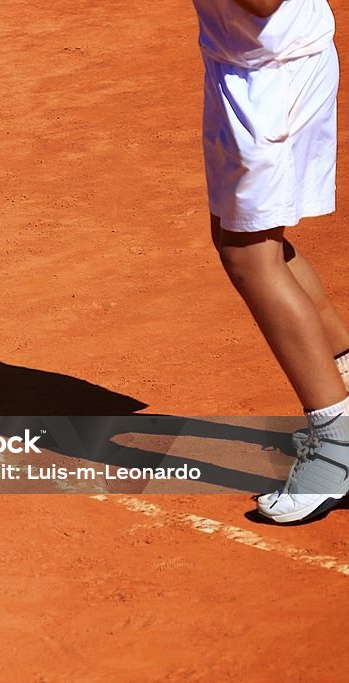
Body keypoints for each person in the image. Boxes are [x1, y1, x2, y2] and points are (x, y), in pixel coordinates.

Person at [193, 0, 349, 522]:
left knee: (248, 254)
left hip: (273, 80)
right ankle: (345, 380)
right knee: (253, 242)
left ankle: (336, 446)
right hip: (251, 64)